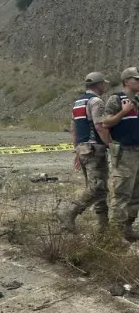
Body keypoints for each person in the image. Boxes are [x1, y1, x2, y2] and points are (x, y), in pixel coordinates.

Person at [58, 72, 111, 232]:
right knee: (97, 186)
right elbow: (99, 125)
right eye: (103, 84)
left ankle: (103, 227)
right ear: (99, 84)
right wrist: (110, 143)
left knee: (98, 188)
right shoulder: (96, 102)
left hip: (82, 148)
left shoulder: (78, 103)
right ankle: (69, 212)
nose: (104, 86)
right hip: (95, 148)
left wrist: (76, 151)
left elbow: (73, 130)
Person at [102, 67, 139, 241]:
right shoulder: (116, 99)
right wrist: (123, 112)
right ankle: (115, 235)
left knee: (136, 193)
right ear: (127, 81)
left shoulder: (137, 101)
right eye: (137, 80)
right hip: (125, 152)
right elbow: (105, 122)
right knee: (121, 192)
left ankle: (127, 228)